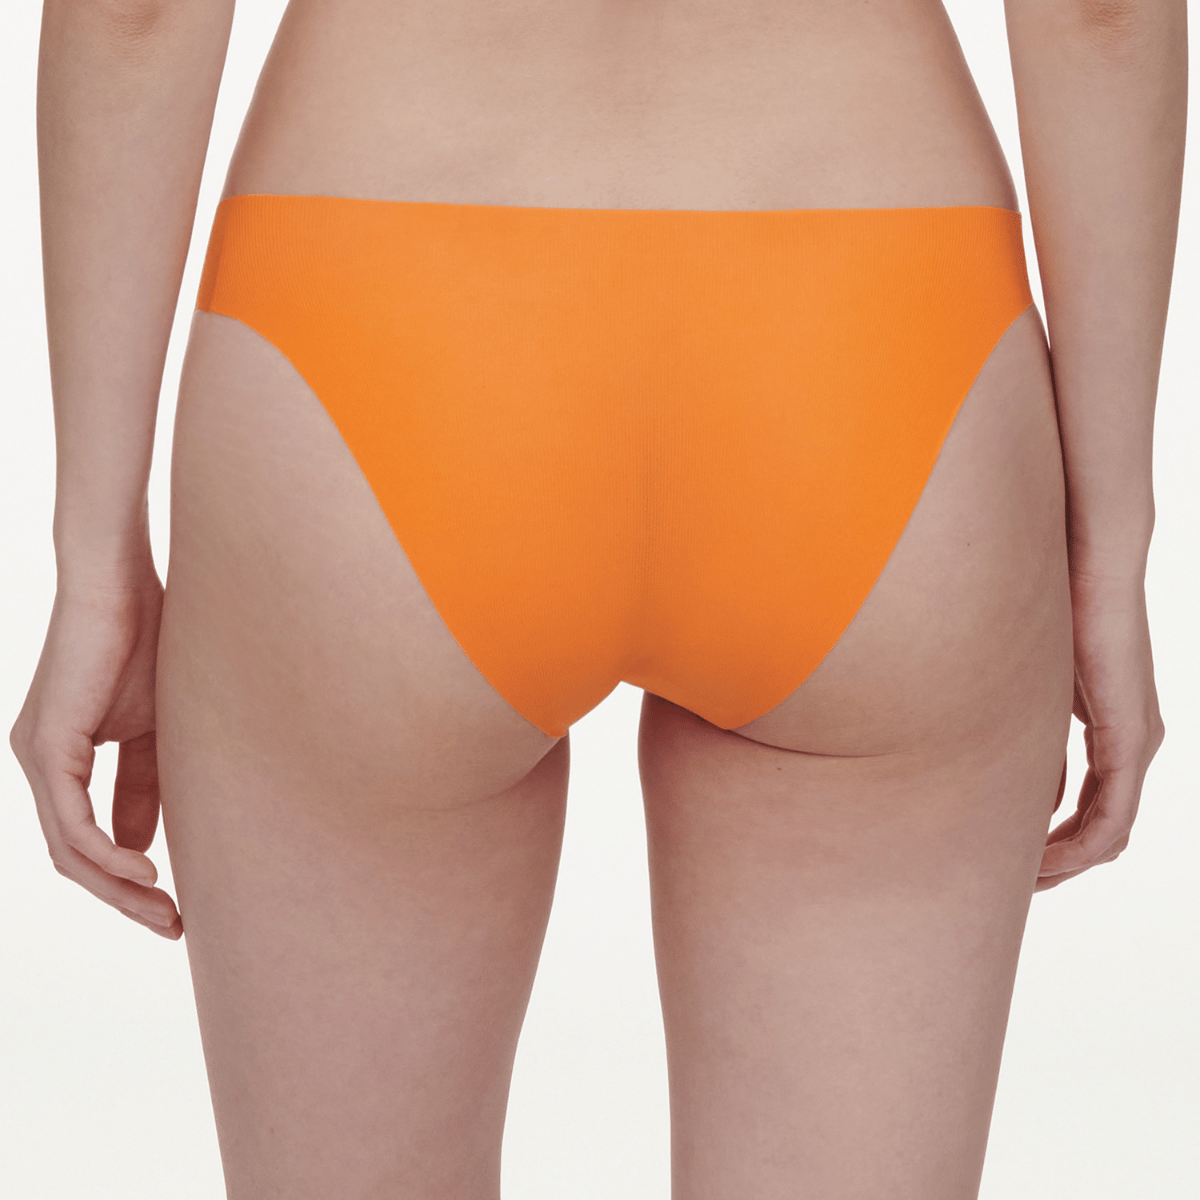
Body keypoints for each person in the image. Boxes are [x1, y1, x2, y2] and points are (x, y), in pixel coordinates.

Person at [10, 0, 1182, 1196]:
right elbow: (1100, 15)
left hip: (381, 318)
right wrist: (1110, 553)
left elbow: (137, 14)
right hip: (871, 339)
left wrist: (97, 558)